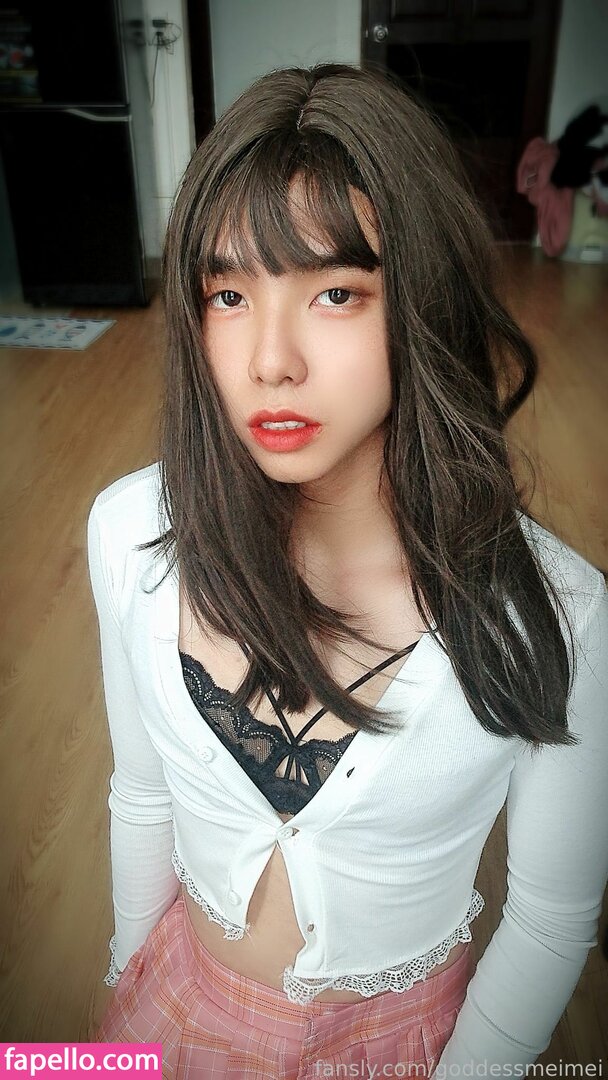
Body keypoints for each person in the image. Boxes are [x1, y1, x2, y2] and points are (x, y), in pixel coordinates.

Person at [87, 63, 608, 1078]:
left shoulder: (558, 615)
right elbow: (141, 797)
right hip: (174, 1015)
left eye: (334, 292)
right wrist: (123, 1003)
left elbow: (550, 920)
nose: (270, 360)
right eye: (228, 293)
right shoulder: (128, 534)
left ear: (421, 303)